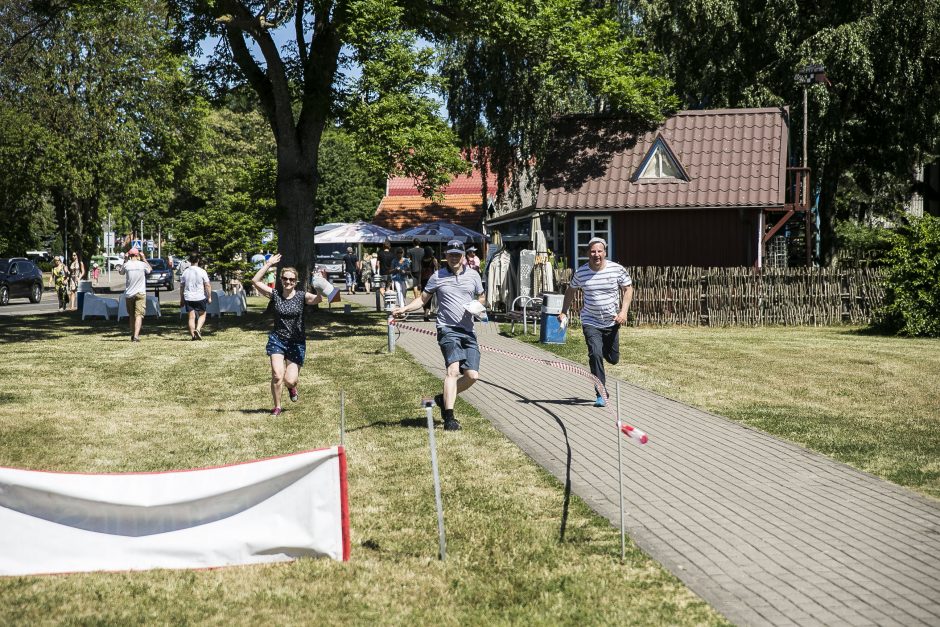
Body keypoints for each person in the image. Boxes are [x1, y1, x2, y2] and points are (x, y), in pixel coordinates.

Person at [392, 240, 485, 431]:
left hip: (468, 330)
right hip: (447, 329)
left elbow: (482, 295)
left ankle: (443, 399)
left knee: (472, 376)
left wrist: (478, 305)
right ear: (446, 256)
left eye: (457, 254)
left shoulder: (474, 275)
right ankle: (449, 418)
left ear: (463, 256)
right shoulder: (438, 276)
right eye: (450, 254)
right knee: (453, 370)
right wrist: (405, 309)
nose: (453, 257)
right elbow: (423, 299)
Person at [557, 237, 633, 407]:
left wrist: (623, 311)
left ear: (605, 252)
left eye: (599, 251)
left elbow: (628, 288)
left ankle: (605, 352)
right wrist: (563, 311)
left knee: (613, 358)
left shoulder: (616, 269)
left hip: (612, 321)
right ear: (588, 254)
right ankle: (601, 393)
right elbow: (571, 290)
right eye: (593, 251)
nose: (596, 255)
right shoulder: (582, 272)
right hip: (590, 321)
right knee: (595, 354)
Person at [251, 254, 323, 416]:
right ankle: (277, 406)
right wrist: (268, 264)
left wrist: (319, 285)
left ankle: (292, 387)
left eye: (291, 279)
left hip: (296, 342)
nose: (288, 282)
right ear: (281, 279)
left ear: (296, 281)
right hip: (277, 339)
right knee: (277, 375)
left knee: (290, 380)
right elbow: (255, 281)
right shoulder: (275, 295)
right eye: (285, 278)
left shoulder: (301, 296)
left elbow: (318, 299)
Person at [118, 248, 152, 342]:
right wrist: (144, 258)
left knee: (131, 315)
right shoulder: (142, 264)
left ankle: (133, 334)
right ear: (138, 255)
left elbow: (121, 272)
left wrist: (124, 260)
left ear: (129, 255)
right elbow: (149, 270)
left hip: (129, 294)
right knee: (139, 315)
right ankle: (136, 336)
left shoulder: (127, 265)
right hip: (140, 293)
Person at [179, 253, 212, 341]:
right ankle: (198, 329)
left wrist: (181, 299)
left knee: (191, 317)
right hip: (199, 296)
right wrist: (209, 297)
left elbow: (182, 286)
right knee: (202, 315)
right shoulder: (202, 271)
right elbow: (207, 285)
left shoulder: (185, 272)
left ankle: (193, 336)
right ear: (198, 260)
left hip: (188, 297)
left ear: (190, 261)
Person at [420, 245, 438, 321]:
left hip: (423, 279)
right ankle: (426, 315)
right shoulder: (433, 259)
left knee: (424, 296)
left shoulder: (422, 259)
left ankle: (425, 312)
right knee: (429, 298)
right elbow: (437, 269)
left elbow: (420, 269)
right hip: (431, 279)